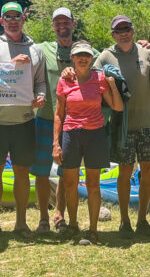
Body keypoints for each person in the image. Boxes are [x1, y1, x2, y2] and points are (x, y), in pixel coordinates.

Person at [0, 2, 46, 238]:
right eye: (8, 17)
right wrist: (10, 66)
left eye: (17, 16)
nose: (13, 20)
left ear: (24, 19)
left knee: (22, 172)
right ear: (1, 20)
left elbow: (40, 82)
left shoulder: (35, 49)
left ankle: (21, 223)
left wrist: (41, 96)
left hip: (24, 121)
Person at [94, 15, 150, 238]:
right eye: (118, 30)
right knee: (124, 171)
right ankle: (124, 222)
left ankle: (142, 220)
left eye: (127, 28)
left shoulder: (147, 53)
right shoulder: (105, 56)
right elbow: (90, 80)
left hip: (148, 123)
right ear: (113, 34)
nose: (123, 33)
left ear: (132, 31)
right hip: (121, 125)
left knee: (149, 169)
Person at [52, 41, 124, 245]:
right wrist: (55, 143)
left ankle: (93, 229)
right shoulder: (64, 80)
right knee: (70, 183)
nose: (83, 58)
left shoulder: (99, 78)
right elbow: (59, 114)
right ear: (72, 58)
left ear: (92, 58)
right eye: (78, 55)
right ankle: (73, 225)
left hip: (95, 136)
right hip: (71, 135)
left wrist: (111, 85)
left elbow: (117, 107)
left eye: (87, 55)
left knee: (93, 184)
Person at [32, 7, 76, 234]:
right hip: (44, 119)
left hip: (72, 123)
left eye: (66, 22)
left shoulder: (85, 51)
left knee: (66, 173)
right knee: (40, 171)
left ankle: (60, 215)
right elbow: (20, 47)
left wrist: (142, 45)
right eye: (57, 23)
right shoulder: (41, 49)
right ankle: (43, 219)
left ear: (73, 24)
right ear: (52, 26)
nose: (62, 27)